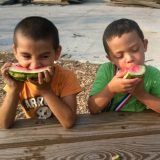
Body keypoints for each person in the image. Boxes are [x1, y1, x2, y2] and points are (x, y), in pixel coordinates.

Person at [0, 16, 81, 129]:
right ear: (15, 52)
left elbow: (69, 122)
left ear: (57, 53)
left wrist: (46, 90)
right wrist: (14, 89)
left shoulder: (66, 77)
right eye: (26, 56)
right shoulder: (16, 80)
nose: (34, 65)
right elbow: (3, 125)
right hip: (34, 134)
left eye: (44, 56)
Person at [88, 18, 160, 114]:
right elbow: (92, 108)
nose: (129, 58)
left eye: (134, 49)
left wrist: (141, 94)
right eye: (119, 56)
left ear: (144, 45)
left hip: (141, 125)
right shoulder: (106, 70)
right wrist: (111, 89)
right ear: (111, 59)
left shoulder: (153, 74)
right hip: (110, 125)